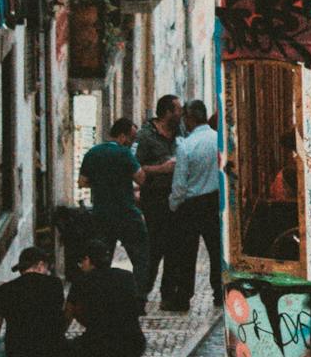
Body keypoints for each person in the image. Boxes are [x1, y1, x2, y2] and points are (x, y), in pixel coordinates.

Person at [162, 100, 223, 311]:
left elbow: (179, 183)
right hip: (214, 201)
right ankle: (219, 293)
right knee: (217, 250)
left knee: (187, 253)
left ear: (190, 119)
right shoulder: (219, 140)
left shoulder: (186, 146)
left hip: (191, 205)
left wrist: (173, 205)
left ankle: (183, 297)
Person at [78, 119, 150, 296]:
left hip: (101, 214)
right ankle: (138, 298)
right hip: (126, 214)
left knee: (102, 260)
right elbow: (141, 179)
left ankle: (99, 297)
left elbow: (82, 182)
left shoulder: (93, 153)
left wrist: (102, 183)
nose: (132, 143)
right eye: (131, 139)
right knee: (140, 258)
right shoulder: (124, 154)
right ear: (123, 136)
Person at [66, 239, 148, 357]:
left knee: (66, 346)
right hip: (132, 350)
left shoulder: (82, 281)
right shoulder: (127, 277)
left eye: (80, 262)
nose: (81, 266)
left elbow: (69, 314)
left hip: (99, 351)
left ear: (87, 259)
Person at [133, 96, 182, 303]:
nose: (181, 113)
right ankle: (142, 291)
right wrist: (160, 169)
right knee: (153, 246)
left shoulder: (181, 132)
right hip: (154, 197)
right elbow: (134, 167)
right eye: (178, 110)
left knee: (174, 247)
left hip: (177, 197)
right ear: (167, 113)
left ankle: (168, 294)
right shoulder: (145, 136)